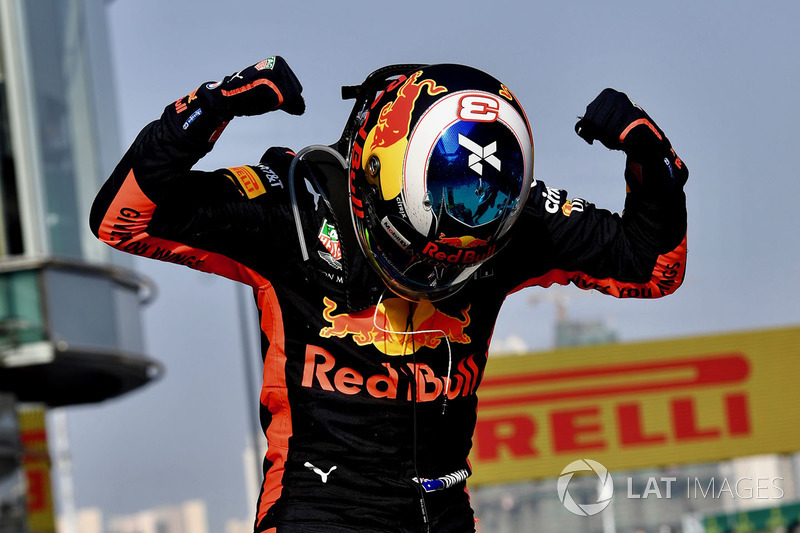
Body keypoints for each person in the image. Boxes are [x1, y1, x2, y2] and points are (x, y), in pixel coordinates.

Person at [90, 56, 688, 532]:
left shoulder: (518, 219)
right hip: (318, 516)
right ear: (375, 173)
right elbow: (120, 218)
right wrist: (206, 110)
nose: (429, 267)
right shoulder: (292, 207)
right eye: (414, 245)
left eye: (459, 254)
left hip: (445, 512)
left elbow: (653, 267)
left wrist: (652, 160)